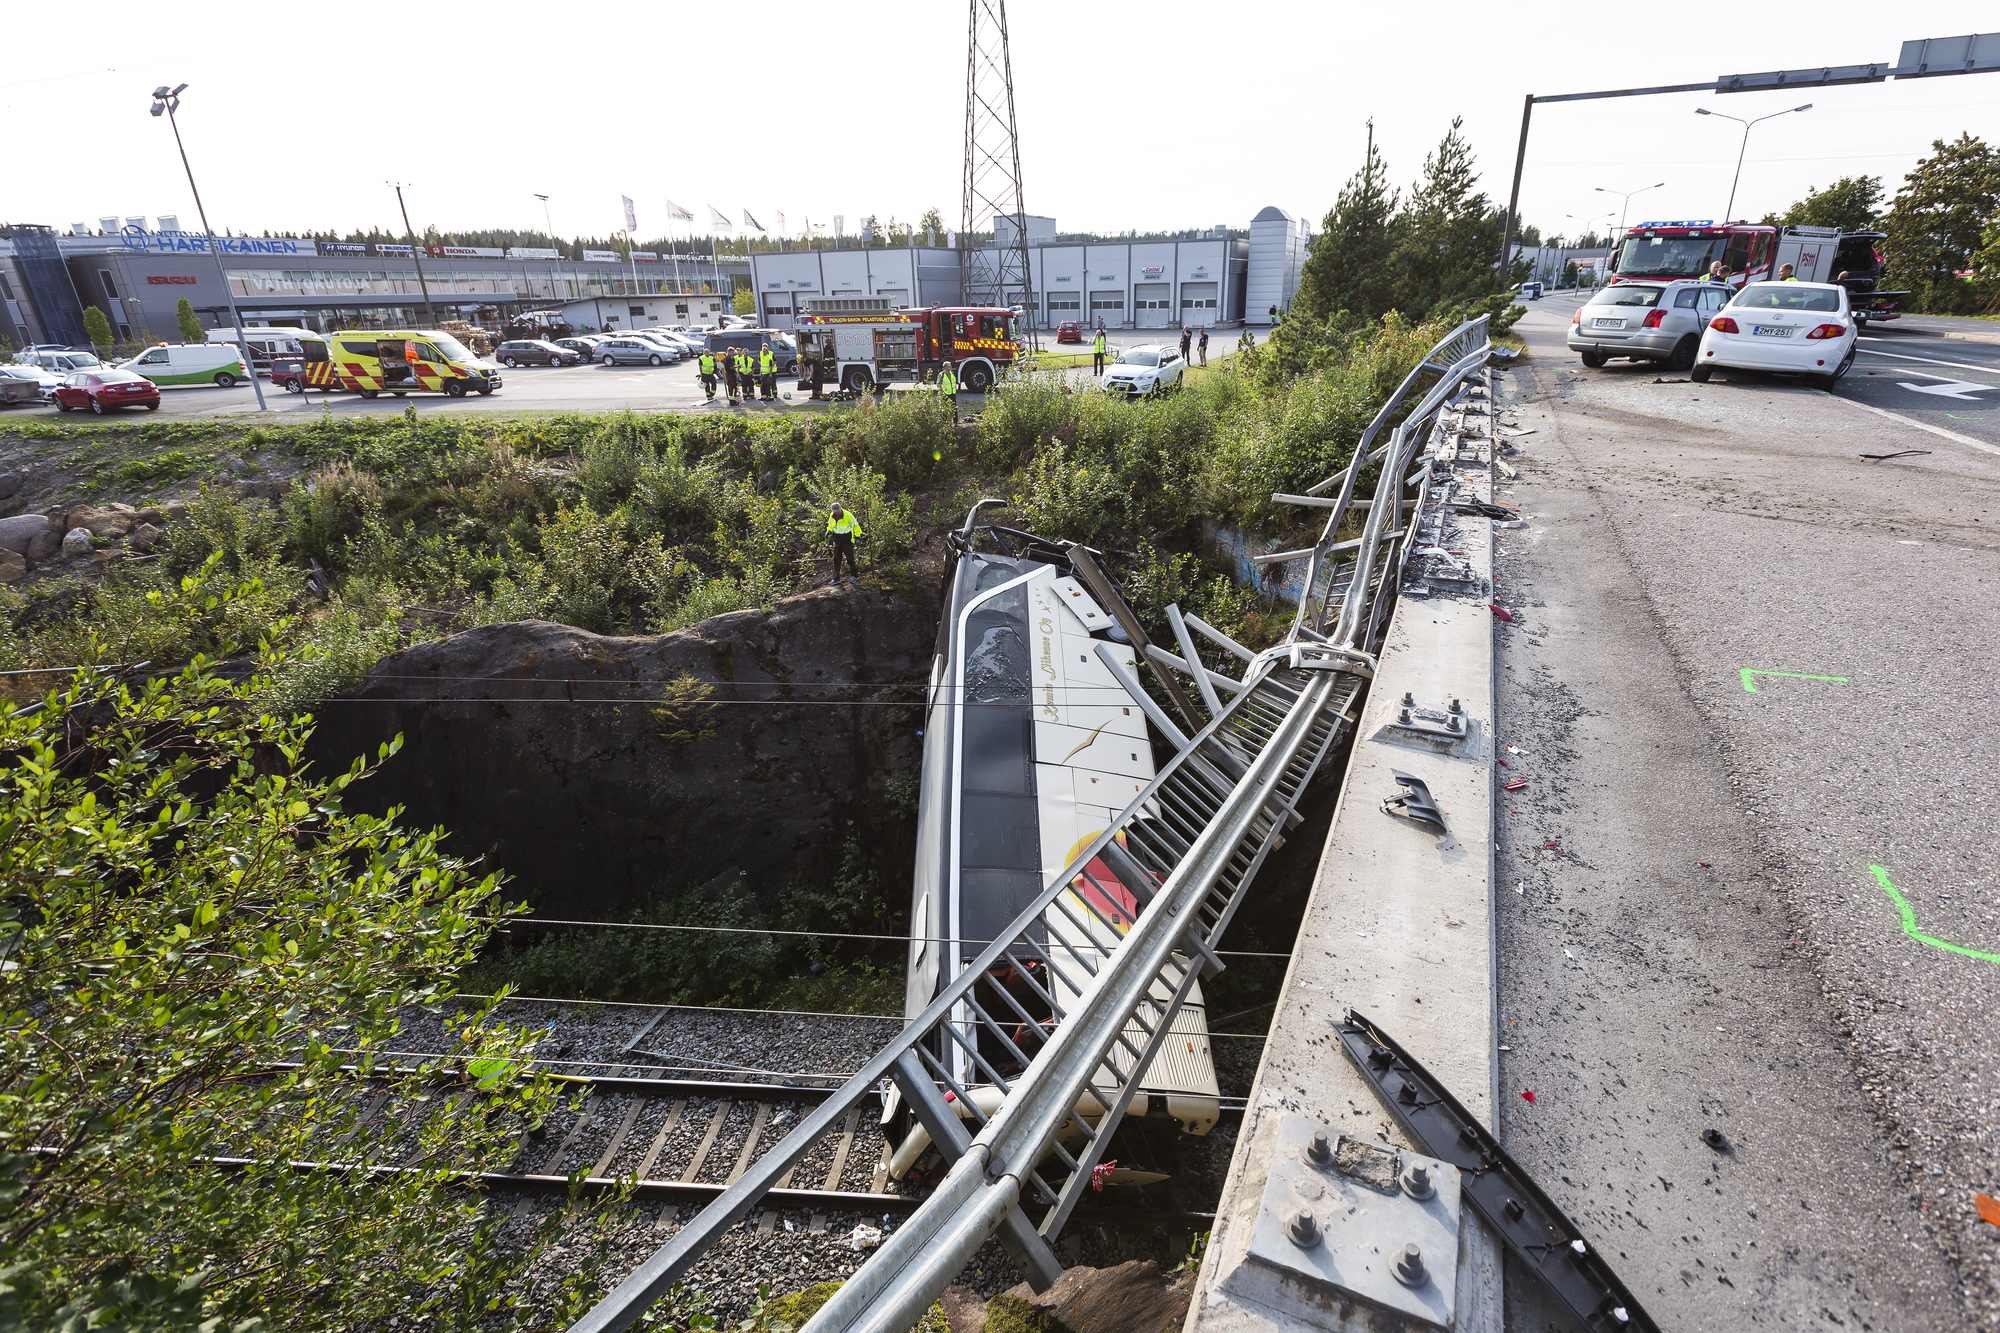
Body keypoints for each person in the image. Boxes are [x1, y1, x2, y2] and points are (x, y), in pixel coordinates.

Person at [826, 504, 863, 585]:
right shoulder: (832, 516)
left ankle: (854, 576)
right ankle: (836, 578)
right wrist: (829, 530)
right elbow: (830, 525)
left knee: (850, 560)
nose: (837, 513)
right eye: (835, 511)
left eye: (837, 511)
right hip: (837, 541)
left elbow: (856, 526)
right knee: (836, 560)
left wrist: (857, 537)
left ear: (840, 508)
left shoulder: (848, 515)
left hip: (847, 541)